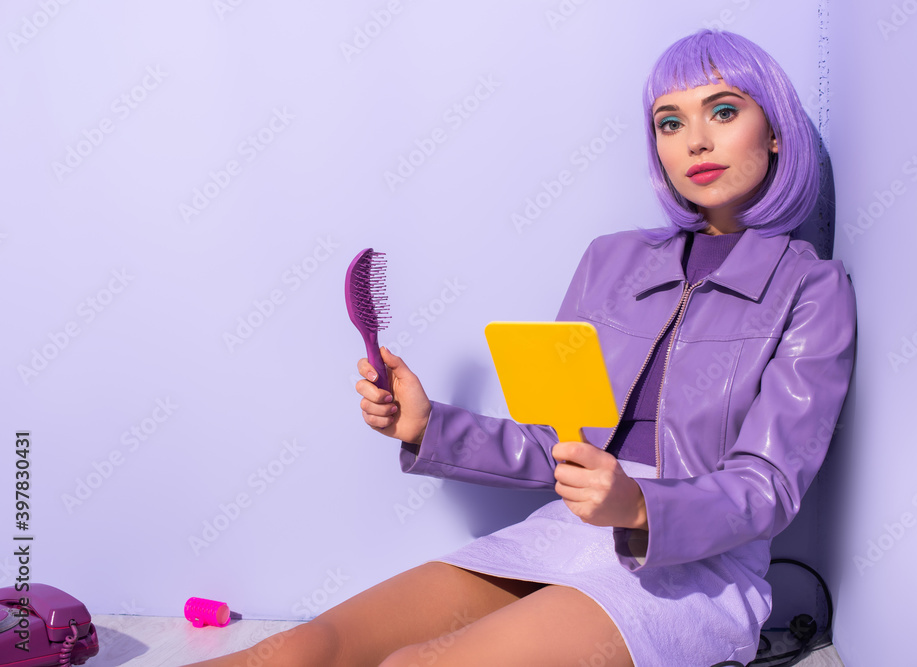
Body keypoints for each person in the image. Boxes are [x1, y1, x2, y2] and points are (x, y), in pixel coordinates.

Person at [189, 29, 856, 667]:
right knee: (308, 649)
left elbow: (766, 487)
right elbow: (554, 442)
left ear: (773, 133)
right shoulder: (613, 261)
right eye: (670, 121)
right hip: (563, 534)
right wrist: (428, 425)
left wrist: (639, 506)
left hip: (697, 567)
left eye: (723, 110)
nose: (696, 140)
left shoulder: (811, 288)